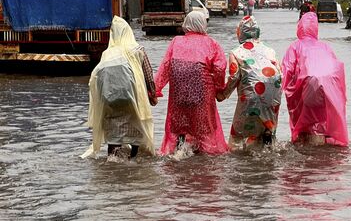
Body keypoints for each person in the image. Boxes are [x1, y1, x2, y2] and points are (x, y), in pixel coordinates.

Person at [154, 11, 228, 155]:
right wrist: (219, 90)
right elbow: (220, 67)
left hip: (178, 96)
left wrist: (155, 90)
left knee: (180, 129)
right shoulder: (211, 43)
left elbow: (165, 67)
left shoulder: (176, 41)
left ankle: (179, 154)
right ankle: (202, 161)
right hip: (202, 95)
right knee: (203, 130)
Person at [82, 16, 156, 159]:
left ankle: (112, 160)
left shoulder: (107, 54)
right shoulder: (137, 50)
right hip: (133, 99)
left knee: (114, 135)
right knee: (136, 132)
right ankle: (133, 159)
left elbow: (97, 78)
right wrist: (152, 93)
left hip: (110, 101)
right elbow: (148, 75)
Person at [281, 12, 349, 146]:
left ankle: (308, 153)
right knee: (321, 122)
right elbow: (337, 69)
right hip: (329, 90)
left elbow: (286, 71)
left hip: (308, 87)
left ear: (300, 28)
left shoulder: (295, 46)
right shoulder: (325, 47)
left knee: (306, 122)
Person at [216, 16, 282, 150]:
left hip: (250, 97)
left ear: (240, 32)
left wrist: (223, 94)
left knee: (237, 138)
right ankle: (267, 139)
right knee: (266, 136)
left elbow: (234, 76)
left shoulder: (236, 52)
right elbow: (279, 73)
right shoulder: (270, 51)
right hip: (273, 97)